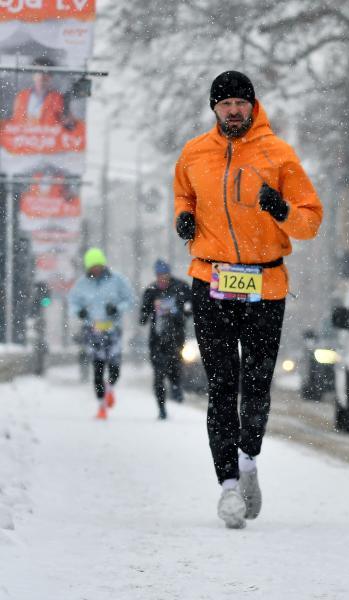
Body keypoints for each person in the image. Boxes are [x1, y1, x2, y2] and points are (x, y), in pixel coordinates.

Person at [173, 71, 323, 529]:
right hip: (211, 279)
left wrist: (280, 208)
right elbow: (183, 194)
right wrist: (183, 217)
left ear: (253, 106)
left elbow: (309, 221)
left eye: (241, 103)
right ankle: (228, 487)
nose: (233, 110)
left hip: (265, 284)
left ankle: (247, 461)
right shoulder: (194, 152)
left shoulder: (278, 154)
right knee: (221, 386)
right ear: (214, 109)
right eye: (225, 104)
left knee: (256, 385)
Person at [67, 248, 135, 420]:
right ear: (88, 268)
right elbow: (72, 302)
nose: (96, 270)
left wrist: (117, 308)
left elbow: (130, 299)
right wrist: (79, 311)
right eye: (92, 267)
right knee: (97, 370)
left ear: (103, 265)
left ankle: (110, 389)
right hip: (93, 331)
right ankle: (101, 406)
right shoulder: (82, 284)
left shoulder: (117, 280)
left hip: (113, 331)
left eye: (98, 266)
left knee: (114, 370)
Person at [139, 259, 192, 420]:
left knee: (175, 368)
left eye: (165, 276)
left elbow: (191, 308)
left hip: (176, 339)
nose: (162, 279)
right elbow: (142, 317)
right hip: (157, 340)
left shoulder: (181, 287)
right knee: (158, 375)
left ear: (169, 275)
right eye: (159, 276)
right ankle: (161, 409)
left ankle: (177, 389)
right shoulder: (151, 291)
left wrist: (179, 313)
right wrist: (147, 312)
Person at [10, 56, 68, 126]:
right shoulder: (22, 96)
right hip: (23, 132)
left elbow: (63, 122)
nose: (41, 76)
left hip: (48, 132)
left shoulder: (58, 98)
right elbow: (15, 120)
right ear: (33, 74)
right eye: (38, 71)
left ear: (51, 76)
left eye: (45, 72)